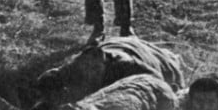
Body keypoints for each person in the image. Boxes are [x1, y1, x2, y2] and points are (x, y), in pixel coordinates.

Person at [36, 35, 185, 104]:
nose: (89, 73)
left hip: (141, 53)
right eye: (86, 69)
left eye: (95, 69)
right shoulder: (76, 67)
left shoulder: (127, 67)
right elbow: (51, 78)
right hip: (114, 43)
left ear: (106, 64)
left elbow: (157, 81)